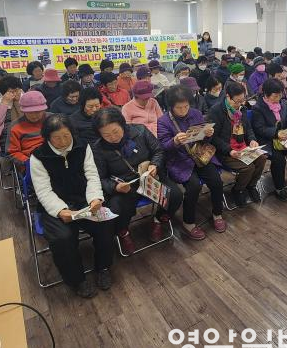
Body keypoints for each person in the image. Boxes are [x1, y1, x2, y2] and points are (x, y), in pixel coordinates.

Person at [29, 114, 113, 298]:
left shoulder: (82, 146)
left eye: (66, 136)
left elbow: (92, 175)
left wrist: (95, 198)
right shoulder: (39, 157)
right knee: (62, 238)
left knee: (105, 224)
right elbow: (43, 191)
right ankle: (77, 280)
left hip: (83, 199)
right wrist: (60, 210)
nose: (63, 141)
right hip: (55, 205)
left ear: (72, 133)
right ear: (47, 137)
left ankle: (103, 267)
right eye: (57, 138)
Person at [92, 108, 183, 255]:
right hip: (125, 186)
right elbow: (99, 178)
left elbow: (158, 151)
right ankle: (123, 232)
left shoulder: (139, 131)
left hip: (149, 178)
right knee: (117, 207)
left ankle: (159, 220)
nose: (113, 137)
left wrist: (154, 165)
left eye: (116, 131)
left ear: (122, 124)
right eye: (106, 135)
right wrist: (115, 187)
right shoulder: (98, 149)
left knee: (175, 195)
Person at [157, 85, 227, 238]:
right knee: (194, 187)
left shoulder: (195, 113)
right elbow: (163, 147)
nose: (183, 110)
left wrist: (208, 134)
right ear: (171, 106)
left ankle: (217, 213)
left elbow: (203, 139)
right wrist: (175, 141)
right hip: (179, 161)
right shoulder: (163, 121)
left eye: (186, 106)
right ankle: (188, 222)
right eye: (179, 108)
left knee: (216, 181)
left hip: (199, 155)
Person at [207, 81, 266, 207]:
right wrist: (229, 150)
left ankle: (251, 186)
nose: (240, 104)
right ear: (228, 97)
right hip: (226, 151)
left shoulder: (241, 109)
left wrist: (252, 140)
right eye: (237, 101)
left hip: (243, 147)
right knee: (248, 168)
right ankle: (238, 190)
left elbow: (248, 129)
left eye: (242, 101)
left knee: (262, 158)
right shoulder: (216, 111)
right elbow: (214, 138)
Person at [8, 90, 47, 167]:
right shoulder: (15, 127)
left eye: (38, 112)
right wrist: (28, 162)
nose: (34, 116)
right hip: (30, 163)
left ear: (44, 109)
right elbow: (13, 152)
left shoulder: (53, 120)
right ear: (23, 111)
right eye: (29, 112)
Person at [0, 75, 23, 154]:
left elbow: (28, 120)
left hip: (25, 135)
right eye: (12, 92)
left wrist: (17, 103)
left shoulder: (24, 99)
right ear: (4, 93)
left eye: (17, 90)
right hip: (6, 139)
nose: (16, 93)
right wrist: (4, 103)